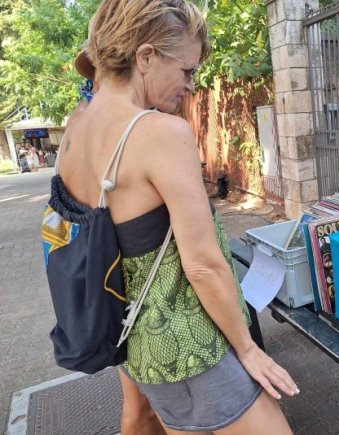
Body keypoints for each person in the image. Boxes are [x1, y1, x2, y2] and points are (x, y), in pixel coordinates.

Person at [58, 0, 298, 433]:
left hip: (138, 345)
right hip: (191, 349)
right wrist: (248, 350)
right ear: (146, 57)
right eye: (186, 71)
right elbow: (202, 265)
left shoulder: (74, 132)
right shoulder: (159, 132)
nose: (190, 85)